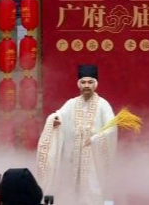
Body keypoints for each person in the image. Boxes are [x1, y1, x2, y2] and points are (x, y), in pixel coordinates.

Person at [36, 65, 117, 205]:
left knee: (92, 185)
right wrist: (55, 120)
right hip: (73, 156)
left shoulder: (103, 105)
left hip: (93, 155)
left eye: (90, 82)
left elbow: (112, 126)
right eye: (83, 82)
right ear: (79, 84)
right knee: (70, 185)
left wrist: (95, 139)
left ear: (95, 84)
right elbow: (60, 115)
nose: (86, 86)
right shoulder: (71, 103)